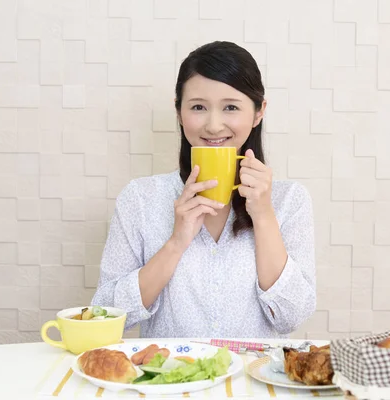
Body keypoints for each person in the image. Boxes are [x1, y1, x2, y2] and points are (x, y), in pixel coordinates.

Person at [91, 41, 316, 338]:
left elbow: (292, 316)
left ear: (258, 112)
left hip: (252, 381)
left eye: (231, 107)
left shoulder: (290, 200)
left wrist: (263, 216)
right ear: (178, 111)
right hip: (171, 380)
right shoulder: (140, 198)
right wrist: (176, 242)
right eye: (198, 107)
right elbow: (106, 316)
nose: (213, 125)